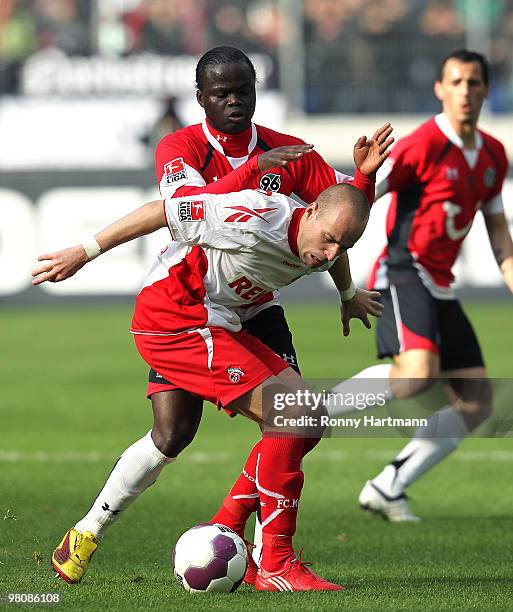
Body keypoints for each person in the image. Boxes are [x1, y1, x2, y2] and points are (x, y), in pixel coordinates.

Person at [41, 45, 394, 586]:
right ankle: (95, 530)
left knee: (304, 421)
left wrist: (349, 272)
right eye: (222, 93)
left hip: (249, 305)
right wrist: (82, 252)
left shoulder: (292, 156)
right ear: (201, 97)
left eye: (243, 90)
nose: (234, 101)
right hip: (186, 307)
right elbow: (173, 208)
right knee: (177, 432)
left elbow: (337, 219)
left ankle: (235, 534)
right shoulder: (187, 151)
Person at [34, 182, 373, 591]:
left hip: (225, 317)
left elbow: (341, 229)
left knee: (299, 420)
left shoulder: (322, 239)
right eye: (330, 240)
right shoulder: (253, 218)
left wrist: (348, 292)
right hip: (178, 317)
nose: (332, 253)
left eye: (345, 245)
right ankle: (275, 561)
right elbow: (160, 211)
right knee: (291, 415)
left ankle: (222, 527)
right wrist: (83, 252)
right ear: (312, 210)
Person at [328, 49, 513, 522]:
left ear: (486, 90)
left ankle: (389, 487)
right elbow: (363, 193)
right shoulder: (423, 145)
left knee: (476, 402)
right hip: (403, 270)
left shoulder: (493, 154)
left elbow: (498, 234)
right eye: (456, 82)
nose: (465, 91)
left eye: (474, 82)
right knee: (415, 375)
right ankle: (315, 408)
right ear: (440, 89)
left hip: (440, 284)